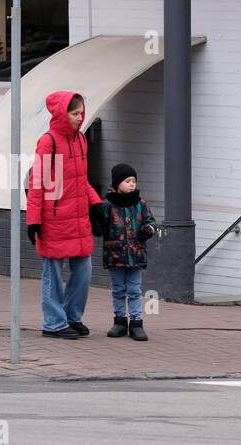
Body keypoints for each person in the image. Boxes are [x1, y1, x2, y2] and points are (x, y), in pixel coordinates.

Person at [26, 91, 105, 339]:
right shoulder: (48, 141)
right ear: (62, 113)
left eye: (81, 113)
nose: (80, 118)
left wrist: (97, 203)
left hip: (79, 218)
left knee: (84, 270)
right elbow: (37, 182)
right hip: (54, 218)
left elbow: (81, 181)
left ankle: (72, 317)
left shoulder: (80, 140)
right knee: (53, 271)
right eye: (74, 113)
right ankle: (54, 323)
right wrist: (33, 220)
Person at [101, 163, 157, 341]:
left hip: (136, 255)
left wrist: (148, 229)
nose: (132, 184)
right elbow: (100, 226)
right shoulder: (108, 205)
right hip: (115, 255)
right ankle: (119, 322)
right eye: (128, 181)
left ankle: (136, 323)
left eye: (134, 181)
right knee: (118, 289)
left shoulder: (140, 204)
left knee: (134, 290)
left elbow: (151, 221)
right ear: (117, 183)